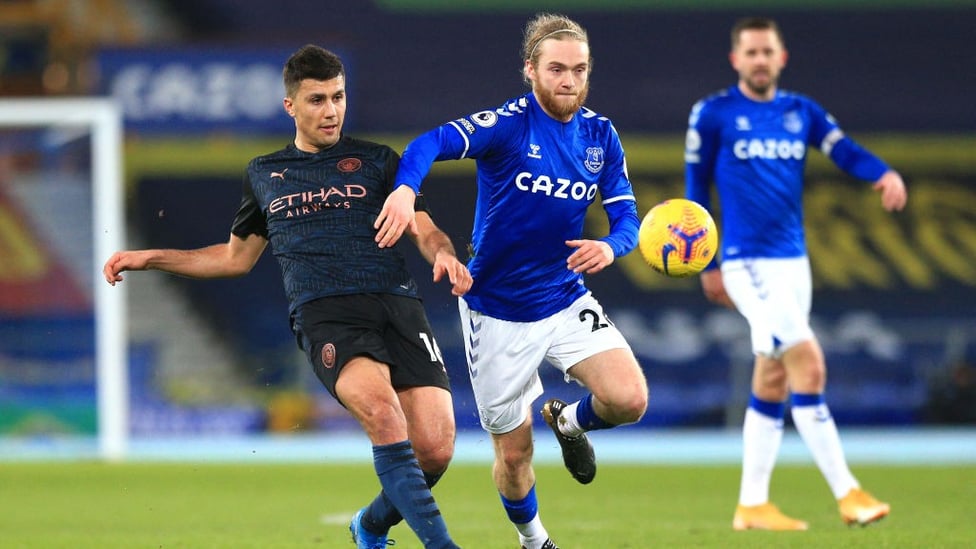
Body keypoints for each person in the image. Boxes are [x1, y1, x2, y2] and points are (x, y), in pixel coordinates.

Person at [102, 45, 470, 549]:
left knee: (435, 450)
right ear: (290, 106)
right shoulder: (265, 173)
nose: (331, 110)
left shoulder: (378, 160)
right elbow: (234, 258)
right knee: (384, 416)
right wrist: (151, 257)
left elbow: (424, 230)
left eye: (338, 97)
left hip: (398, 306)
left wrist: (442, 256)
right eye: (317, 99)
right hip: (328, 314)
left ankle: (369, 525)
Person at [373, 13, 649, 549]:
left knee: (629, 399)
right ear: (531, 70)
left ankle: (569, 421)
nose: (568, 80)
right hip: (496, 311)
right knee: (515, 455)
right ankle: (534, 540)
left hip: (564, 296)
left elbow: (628, 221)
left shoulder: (600, 135)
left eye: (579, 70)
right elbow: (427, 143)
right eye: (556, 69)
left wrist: (610, 247)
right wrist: (405, 191)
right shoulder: (507, 125)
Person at [684, 17, 907, 530]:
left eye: (768, 52)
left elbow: (844, 150)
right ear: (735, 59)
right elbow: (695, 189)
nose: (760, 60)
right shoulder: (714, 114)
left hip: (793, 263)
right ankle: (848, 493)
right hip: (745, 262)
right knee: (809, 360)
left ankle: (752, 505)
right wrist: (708, 262)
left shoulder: (799, 112)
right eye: (751, 52)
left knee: (775, 373)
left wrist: (884, 173)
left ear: (781, 58)